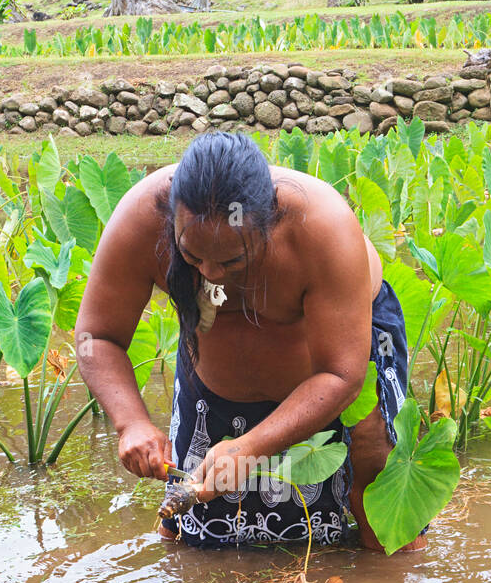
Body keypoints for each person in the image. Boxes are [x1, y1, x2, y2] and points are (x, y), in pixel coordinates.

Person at [75, 131, 421, 553]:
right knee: (185, 532)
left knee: (378, 505)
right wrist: (131, 423)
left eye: (231, 260)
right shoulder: (141, 217)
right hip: (213, 366)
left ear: (271, 219)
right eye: (192, 257)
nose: (211, 274)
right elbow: (98, 337)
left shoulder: (322, 226)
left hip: (336, 361)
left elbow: (342, 373)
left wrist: (249, 448)